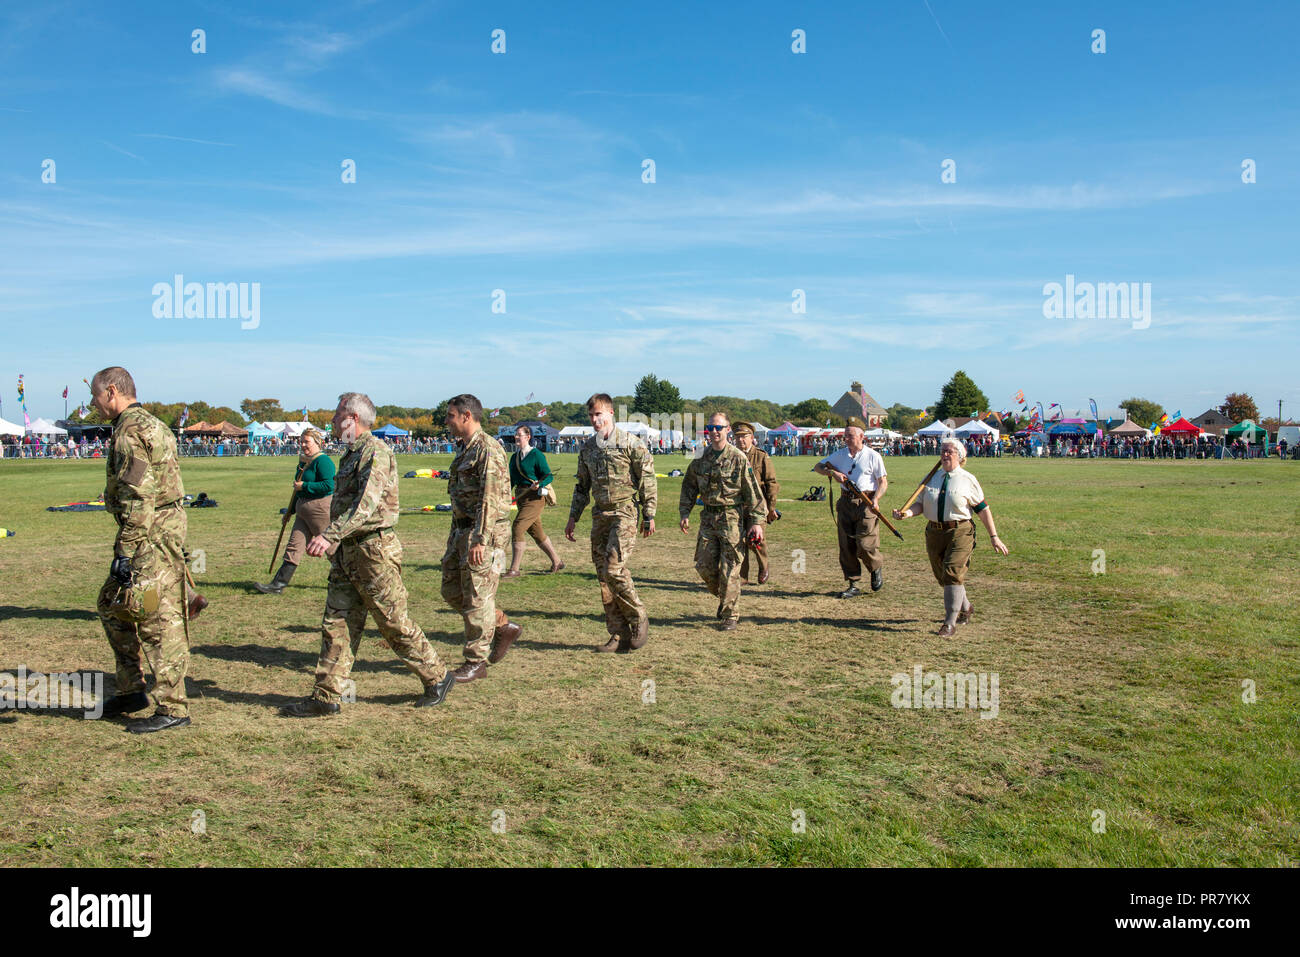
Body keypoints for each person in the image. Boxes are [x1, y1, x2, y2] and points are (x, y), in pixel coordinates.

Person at [281, 392, 455, 716]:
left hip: (373, 550)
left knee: (393, 623)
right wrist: (335, 541)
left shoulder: (376, 451)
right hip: (348, 551)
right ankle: (327, 696)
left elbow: (366, 505)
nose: (332, 421)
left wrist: (328, 535)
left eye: (336, 415)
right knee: (337, 621)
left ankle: (438, 676)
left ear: (352, 419)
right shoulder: (349, 454)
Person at [90, 366, 206, 733]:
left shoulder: (129, 432)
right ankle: (130, 689)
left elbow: (140, 498)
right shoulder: (152, 423)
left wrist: (124, 552)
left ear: (112, 391)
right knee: (111, 604)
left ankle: (172, 706)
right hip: (160, 529)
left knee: (156, 617)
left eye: (95, 396)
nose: (93, 403)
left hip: (148, 535)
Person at [565, 393, 657, 652]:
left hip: (625, 512)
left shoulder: (630, 444)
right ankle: (618, 634)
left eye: (599, 415)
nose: (595, 420)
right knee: (603, 577)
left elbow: (647, 479)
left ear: (611, 414)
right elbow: (582, 487)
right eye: (591, 416)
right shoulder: (587, 449)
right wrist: (573, 517)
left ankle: (639, 617)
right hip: (599, 515)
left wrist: (649, 514)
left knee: (615, 568)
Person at [440, 394, 523, 683]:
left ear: (466, 416)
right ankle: (502, 624)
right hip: (462, 531)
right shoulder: (465, 449)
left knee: (477, 596)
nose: (447, 421)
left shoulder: (487, 449)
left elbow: (490, 500)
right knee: (451, 591)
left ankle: (476, 662)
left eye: (451, 415)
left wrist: (480, 540)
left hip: (483, 534)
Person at [892, 437, 1009, 636]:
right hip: (934, 532)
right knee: (943, 577)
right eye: (943, 451)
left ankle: (949, 622)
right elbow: (920, 504)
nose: (945, 454)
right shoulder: (931, 478)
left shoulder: (967, 479)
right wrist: (907, 513)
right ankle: (966, 607)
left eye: (950, 451)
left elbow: (982, 509)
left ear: (960, 456)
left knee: (953, 572)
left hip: (960, 531)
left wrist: (994, 536)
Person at [679, 413, 767, 631]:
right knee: (704, 565)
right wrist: (685, 513)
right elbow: (689, 486)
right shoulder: (700, 459)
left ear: (728, 430)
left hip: (731, 518)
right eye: (711, 427)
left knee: (731, 568)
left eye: (719, 427)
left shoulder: (738, 458)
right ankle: (727, 597)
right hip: (708, 518)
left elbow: (753, 492)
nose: (715, 431)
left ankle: (730, 614)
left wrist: (756, 522)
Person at [813, 416, 889, 598]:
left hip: (866, 502)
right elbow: (817, 466)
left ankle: (875, 567)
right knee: (846, 545)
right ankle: (853, 582)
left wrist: (876, 499)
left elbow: (883, 482)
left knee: (865, 544)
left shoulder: (873, 456)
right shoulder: (839, 455)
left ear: (861, 436)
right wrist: (832, 473)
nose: (846, 439)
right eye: (845, 435)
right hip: (846, 502)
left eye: (851, 435)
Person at [255, 427, 335, 594]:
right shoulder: (304, 461)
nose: (303, 445)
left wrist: (305, 485)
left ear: (317, 442)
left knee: (331, 548)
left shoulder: (323, 461)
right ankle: (278, 585)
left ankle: (347, 579)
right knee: (294, 546)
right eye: (302, 442)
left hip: (319, 510)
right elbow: (296, 492)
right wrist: (289, 512)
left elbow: (329, 485)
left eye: (307, 441)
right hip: (302, 511)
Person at [504, 424, 564, 577]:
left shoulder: (536, 454)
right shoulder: (514, 457)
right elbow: (511, 480)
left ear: (528, 436)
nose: (516, 437)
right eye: (515, 435)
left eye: (519, 434)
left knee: (517, 528)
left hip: (535, 498)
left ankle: (514, 569)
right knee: (537, 533)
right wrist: (504, 496)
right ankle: (557, 562)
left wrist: (538, 483)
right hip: (522, 498)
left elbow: (548, 475)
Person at [733, 421, 779, 584]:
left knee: (756, 540)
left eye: (744, 437)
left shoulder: (761, 456)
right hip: (737, 506)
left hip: (758, 506)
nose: (740, 440)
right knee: (738, 541)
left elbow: (771, 483)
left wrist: (771, 507)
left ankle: (763, 566)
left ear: (752, 437)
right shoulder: (732, 456)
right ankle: (743, 575)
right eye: (737, 437)